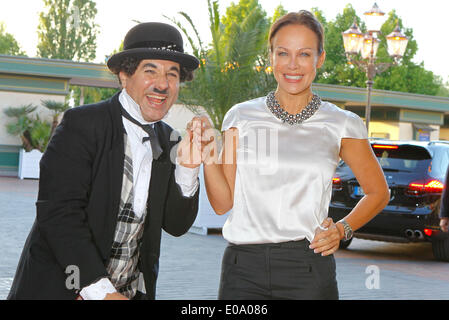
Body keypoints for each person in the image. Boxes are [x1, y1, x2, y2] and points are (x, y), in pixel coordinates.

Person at [194, 11, 390, 300]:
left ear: (319, 59)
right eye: (283, 53)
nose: (293, 65)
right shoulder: (241, 116)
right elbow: (223, 204)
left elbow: (378, 192)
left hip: (308, 268)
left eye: (304, 54)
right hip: (242, 271)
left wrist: (342, 228)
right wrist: (208, 153)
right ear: (270, 57)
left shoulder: (342, 123)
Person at [8, 22, 203, 300]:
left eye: (172, 75)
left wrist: (188, 169)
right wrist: (100, 291)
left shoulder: (171, 140)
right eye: (151, 71)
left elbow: (176, 224)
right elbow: (59, 214)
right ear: (125, 75)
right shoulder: (81, 124)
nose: (163, 84)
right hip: (63, 289)